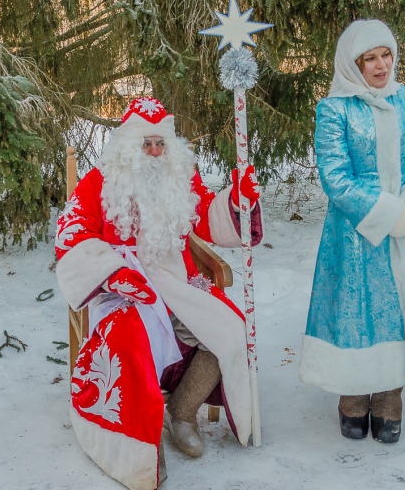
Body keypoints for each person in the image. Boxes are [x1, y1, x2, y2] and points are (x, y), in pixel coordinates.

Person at [55, 97, 263, 490]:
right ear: (127, 148)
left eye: (160, 144)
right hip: (121, 287)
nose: (153, 152)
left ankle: (181, 413)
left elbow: (206, 217)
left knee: (229, 331)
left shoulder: (180, 175)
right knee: (131, 344)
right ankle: (143, 444)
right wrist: (111, 274)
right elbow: (72, 232)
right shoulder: (100, 180)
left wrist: (238, 201)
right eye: (145, 144)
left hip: (176, 279)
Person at [299, 19, 405, 443]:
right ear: (352, 63)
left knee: (400, 308)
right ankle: (353, 397)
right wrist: (385, 213)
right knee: (357, 313)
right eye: (370, 58)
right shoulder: (334, 108)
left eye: (386, 55)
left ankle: (390, 395)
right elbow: (335, 177)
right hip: (357, 234)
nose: (381, 65)